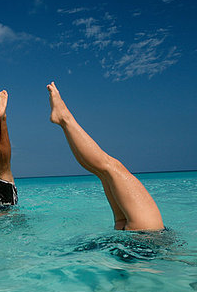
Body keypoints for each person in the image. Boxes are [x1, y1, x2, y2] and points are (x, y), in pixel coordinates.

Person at [46, 82, 164, 231]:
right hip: (142, 245)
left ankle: (65, 119)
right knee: (104, 173)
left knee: (110, 168)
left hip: (151, 239)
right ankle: (64, 120)